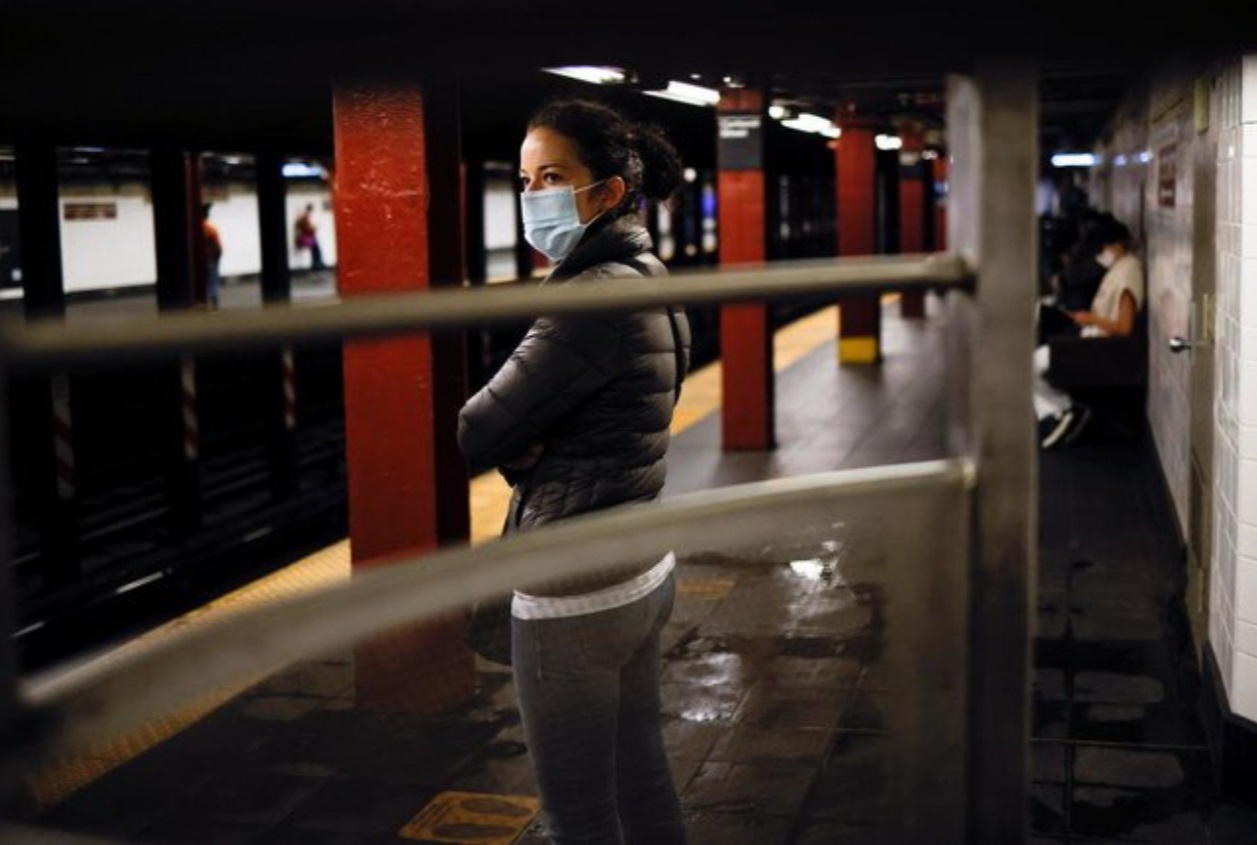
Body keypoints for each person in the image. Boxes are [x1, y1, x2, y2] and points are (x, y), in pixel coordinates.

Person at [457, 97, 690, 845]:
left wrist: (529, 447)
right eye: (526, 182)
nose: (535, 198)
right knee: (640, 773)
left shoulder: (587, 299)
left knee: (577, 811)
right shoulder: (647, 272)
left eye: (552, 177)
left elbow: (475, 429)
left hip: (572, 590)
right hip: (641, 563)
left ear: (609, 191)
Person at [1035, 216, 1145, 449]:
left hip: (1103, 349)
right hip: (1094, 342)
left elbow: (1125, 327)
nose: (1102, 252)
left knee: (1032, 366)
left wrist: (1090, 318)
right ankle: (1061, 410)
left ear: (1117, 245)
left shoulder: (1128, 272)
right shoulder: (1122, 267)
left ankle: (1060, 410)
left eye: (1105, 247)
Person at [201, 202, 223, 308]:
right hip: (211, 259)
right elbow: (218, 247)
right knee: (213, 280)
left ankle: (205, 302)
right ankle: (214, 303)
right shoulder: (210, 229)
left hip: (203, 259)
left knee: (205, 281)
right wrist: (217, 257)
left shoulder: (196, 229)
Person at [294, 203, 325, 269]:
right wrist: (315, 228)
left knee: (315, 250)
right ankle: (317, 264)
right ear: (310, 209)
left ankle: (316, 264)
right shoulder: (306, 216)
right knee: (316, 250)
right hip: (309, 236)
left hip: (309, 236)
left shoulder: (304, 216)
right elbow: (307, 227)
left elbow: (301, 225)